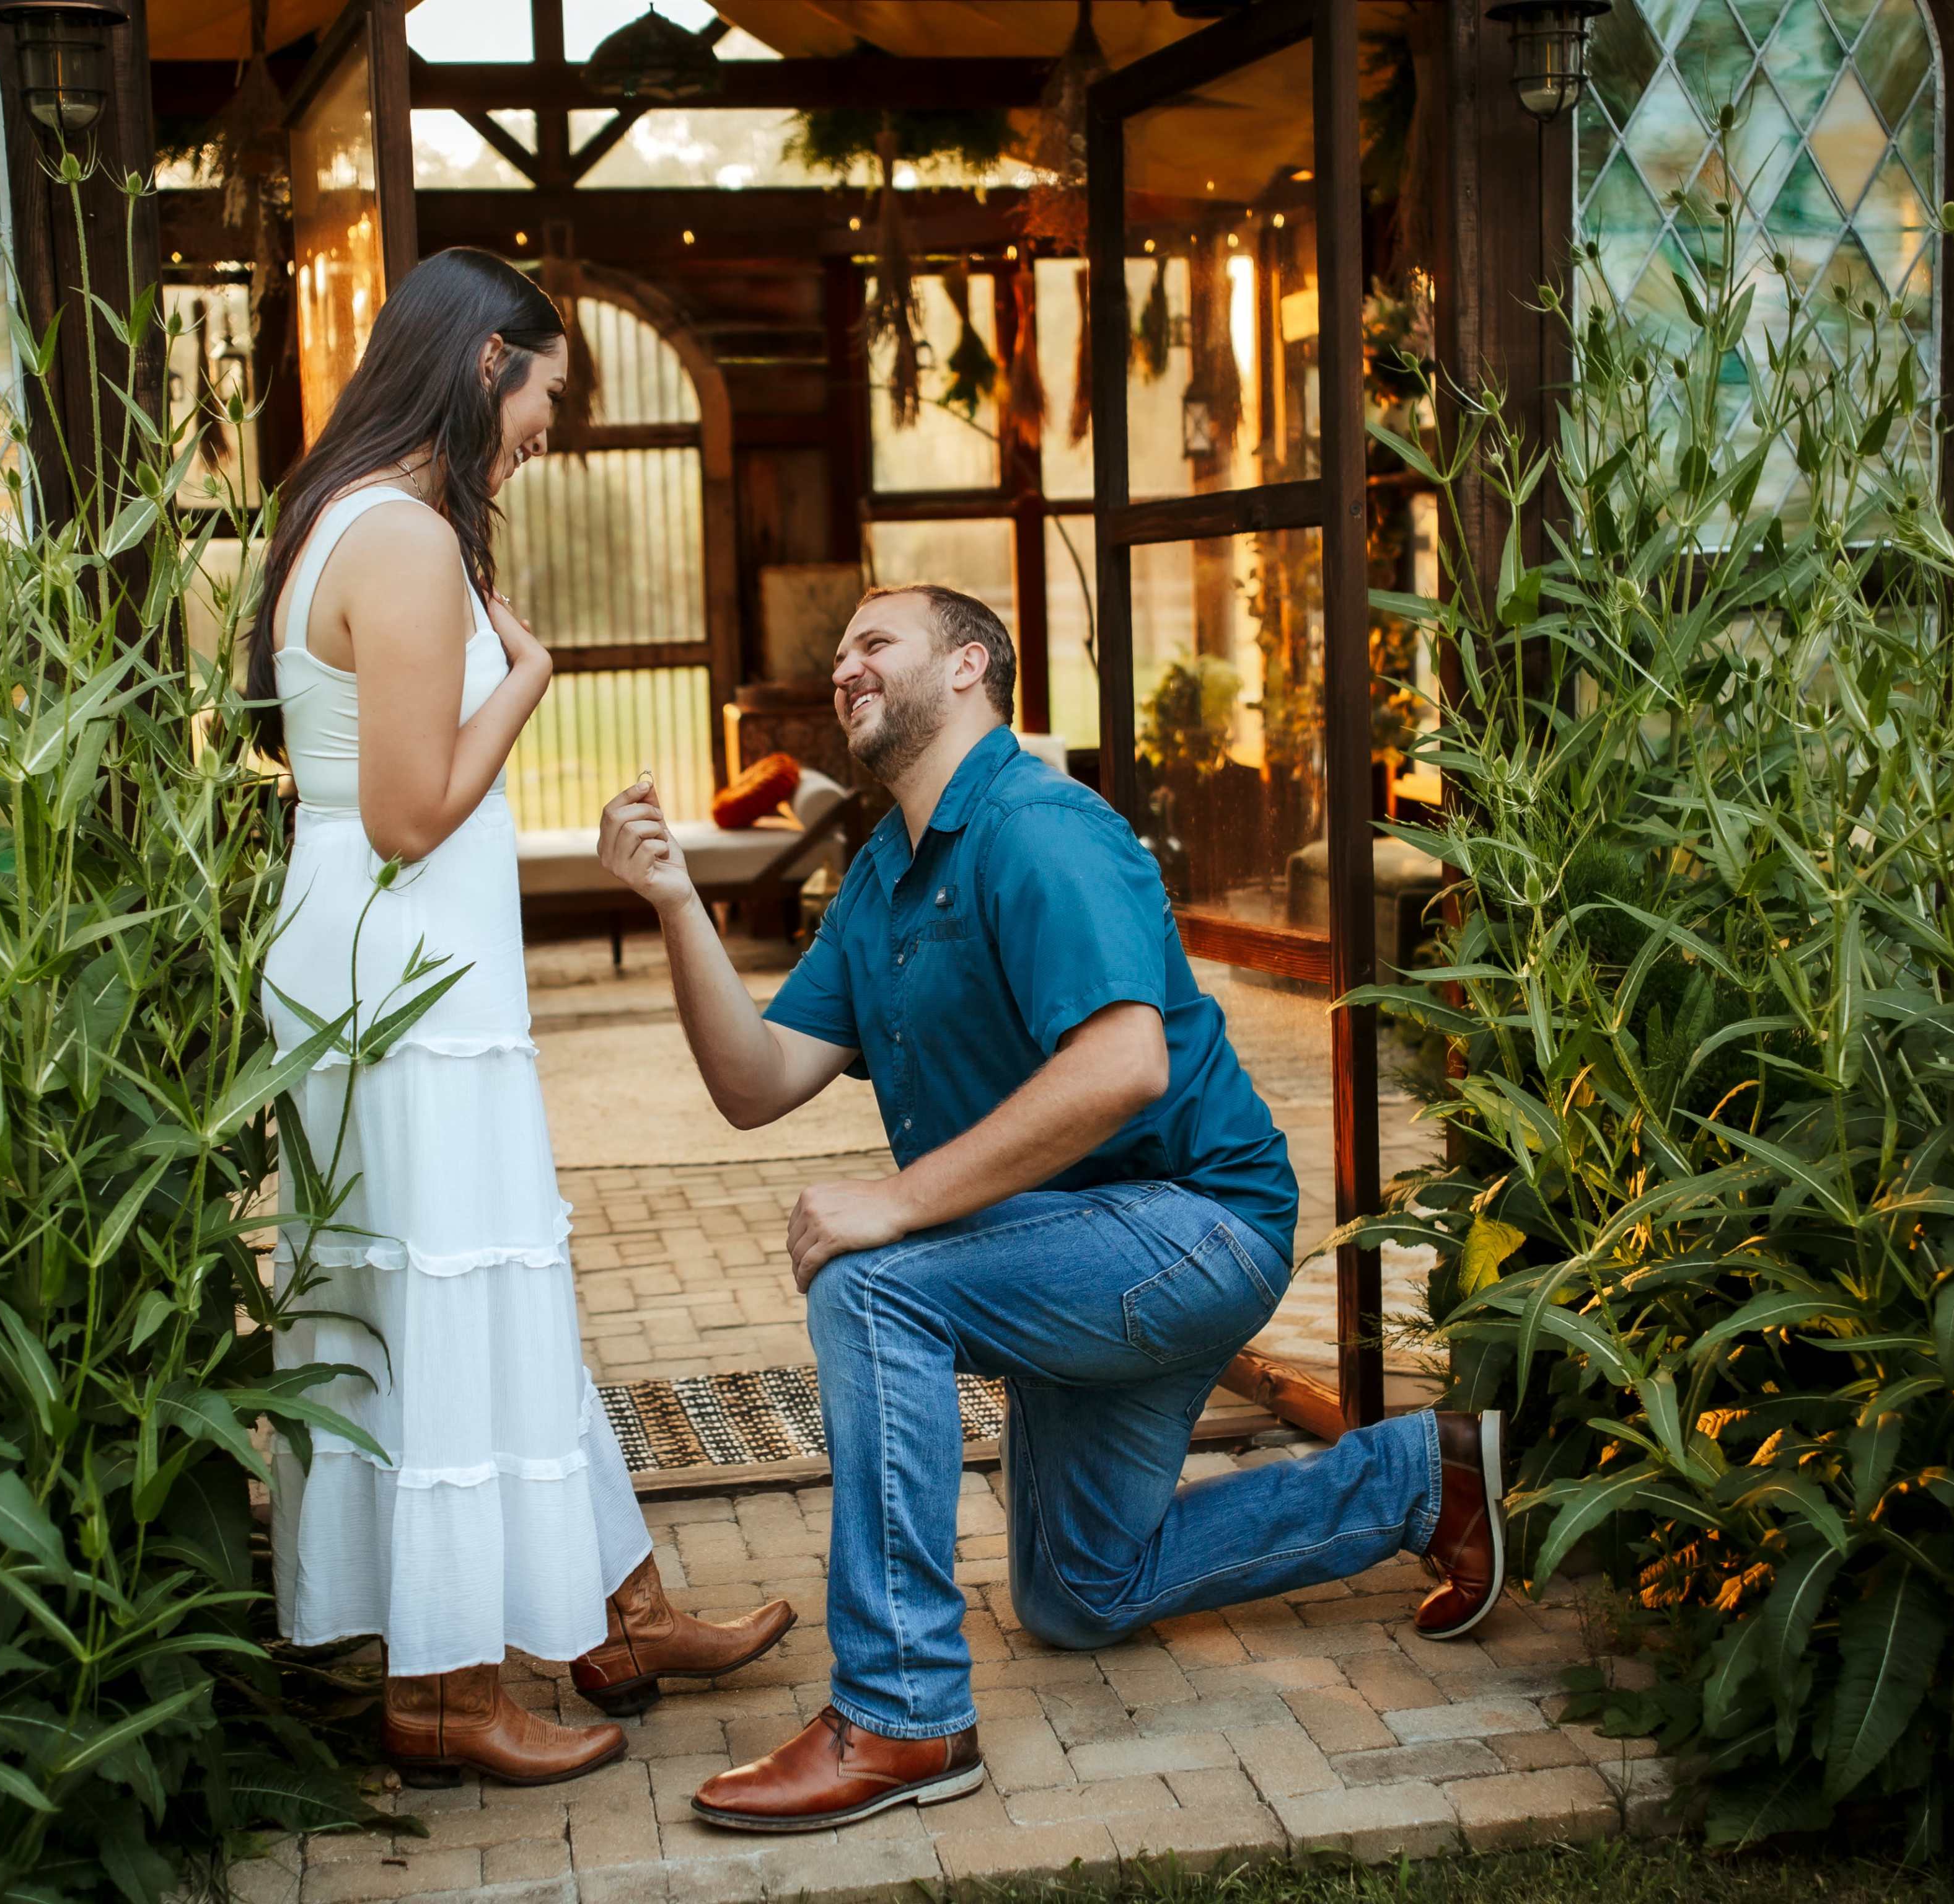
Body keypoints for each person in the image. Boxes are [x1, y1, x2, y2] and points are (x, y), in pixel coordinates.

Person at [594, 582, 1506, 1832]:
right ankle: (1423, 1478)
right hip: (1078, 1251)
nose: (843, 667)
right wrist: (674, 902)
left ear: (969, 666)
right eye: (840, 652)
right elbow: (754, 1085)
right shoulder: (881, 883)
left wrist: (901, 1203)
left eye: (875, 642)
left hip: (1191, 1226)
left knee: (871, 1288)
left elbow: (1124, 1063)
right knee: (1083, 1591)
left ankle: (902, 1713)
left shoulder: (1037, 828)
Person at [249, 247, 791, 1791]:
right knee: (442, 1310)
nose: (555, 430)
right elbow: (417, 810)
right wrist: (535, 671)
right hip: (403, 968)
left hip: (396, 965)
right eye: (552, 392)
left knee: (494, 1293)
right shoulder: (404, 538)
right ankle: (438, 1695)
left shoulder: (354, 517)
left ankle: (614, 1611)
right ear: (489, 363)